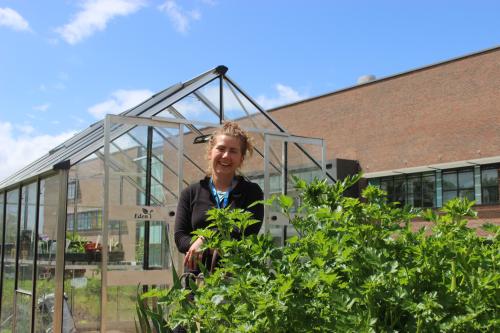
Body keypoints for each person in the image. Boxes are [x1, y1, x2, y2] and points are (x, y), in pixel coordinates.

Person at [174, 121, 264, 274]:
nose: (226, 155)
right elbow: (180, 237)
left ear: (241, 158)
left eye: (233, 151)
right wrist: (201, 245)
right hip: (197, 280)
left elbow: (245, 233)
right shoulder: (190, 193)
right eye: (221, 148)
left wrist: (204, 239)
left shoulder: (251, 192)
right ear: (210, 153)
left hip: (237, 281)